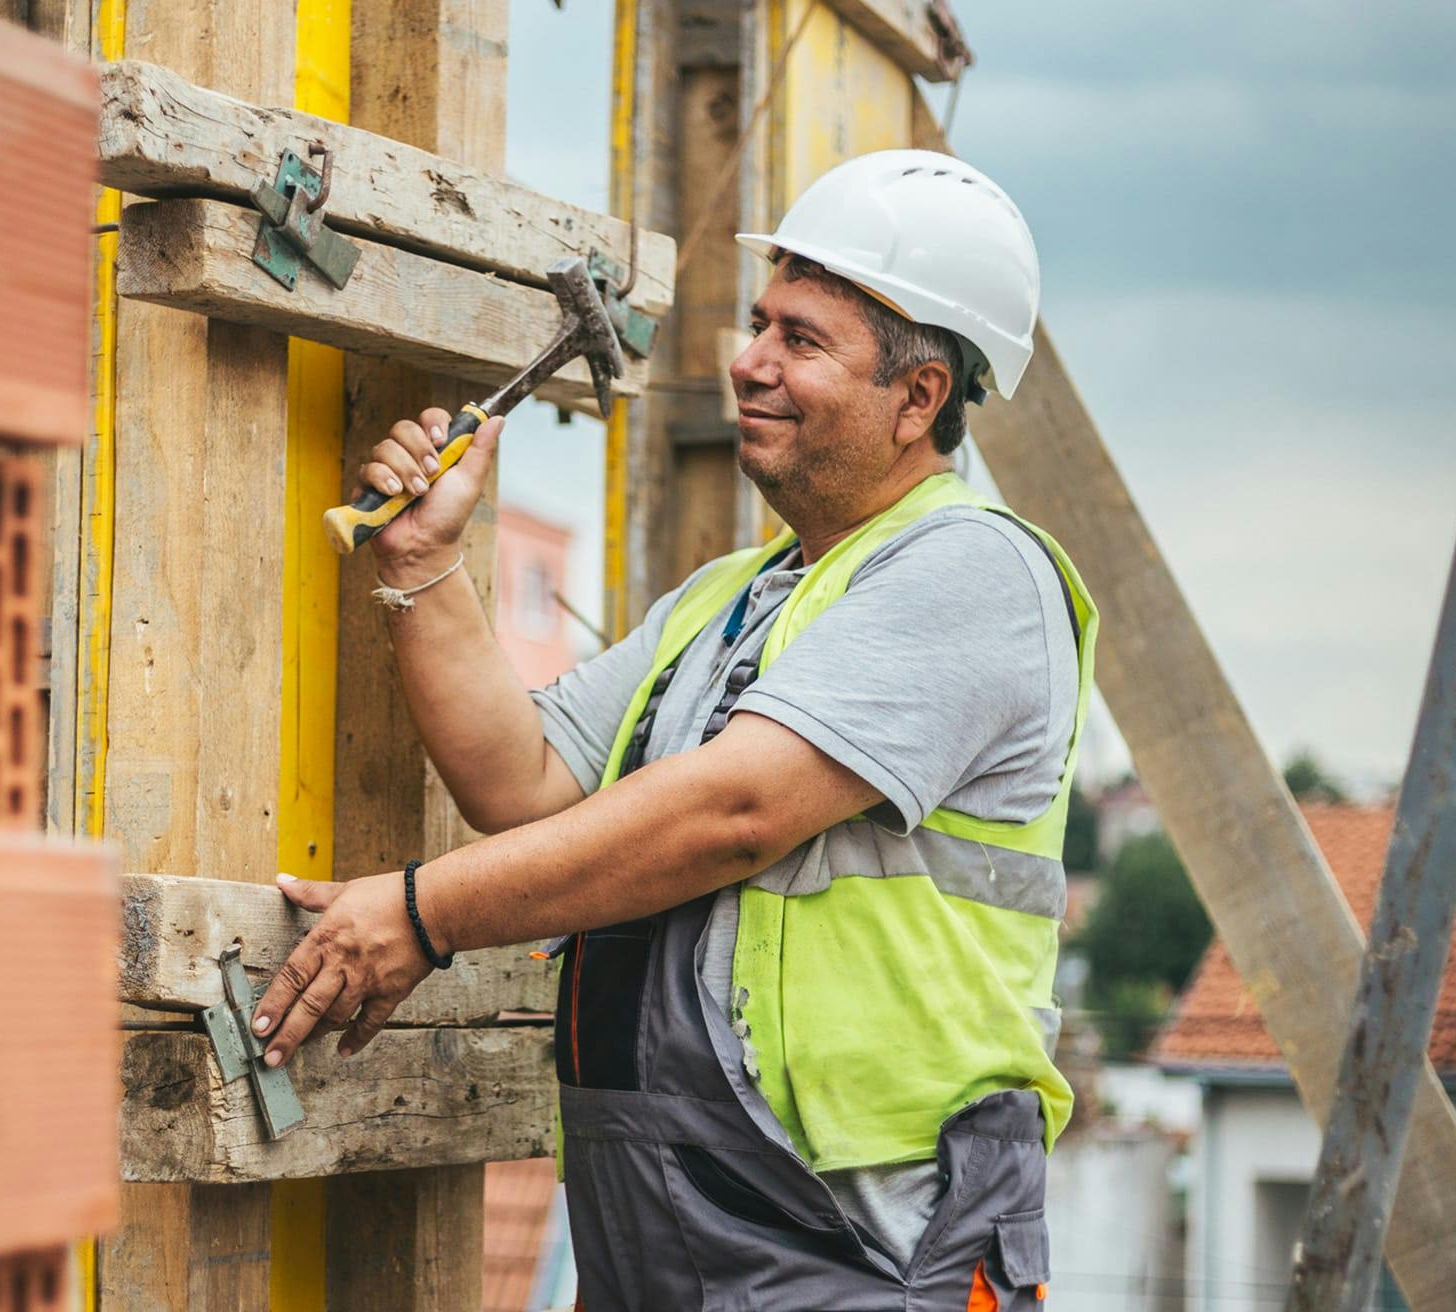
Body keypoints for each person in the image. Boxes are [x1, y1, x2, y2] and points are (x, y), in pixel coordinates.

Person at [249, 149, 1095, 1311]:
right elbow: (530, 786)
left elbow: (734, 811)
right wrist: (425, 565)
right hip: (663, 1234)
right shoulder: (730, 597)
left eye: (801, 339)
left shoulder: (970, 571)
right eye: (759, 325)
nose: (748, 362)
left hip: (863, 1246)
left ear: (919, 398)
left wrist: (420, 914)